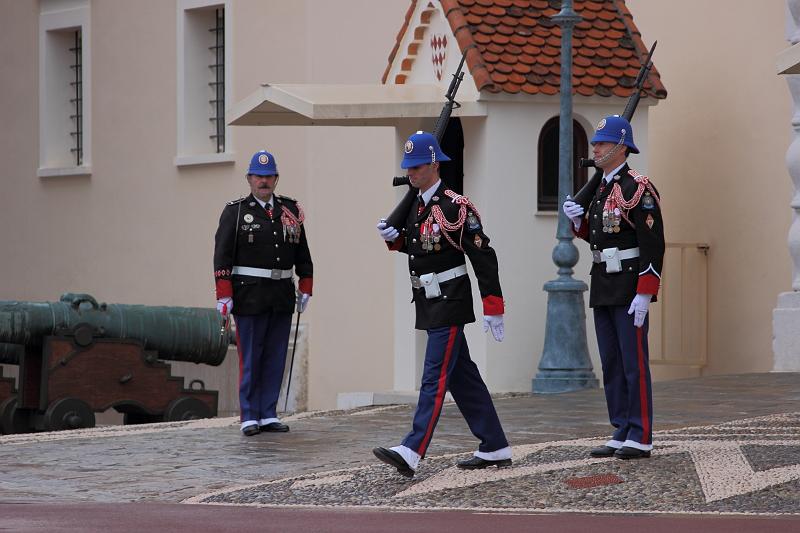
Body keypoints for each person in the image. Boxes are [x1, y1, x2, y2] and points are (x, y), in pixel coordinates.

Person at [372, 131, 511, 478]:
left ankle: (412, 449)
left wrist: (493, 306)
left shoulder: (455, 206)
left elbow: (483, 256)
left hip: (450, 301)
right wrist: (396, 241)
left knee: (433, 376)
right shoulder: (416, 206)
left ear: (434, 164)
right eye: (408, 168)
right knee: (463, 377)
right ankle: (494, 444)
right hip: (429, 302)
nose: (411, 173)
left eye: (417, 167)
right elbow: (423, 248)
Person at [562, 115, 665, 459]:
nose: (595, 147)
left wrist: (645, 290)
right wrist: (578, 221)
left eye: (602, 143)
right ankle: (621, 426)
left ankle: (641, 432)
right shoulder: (602, 187)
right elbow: (600, 235)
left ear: (621, 147)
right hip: (603, 280)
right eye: (595, 142)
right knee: (611, 361)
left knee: (633, 360)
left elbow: (652, 242)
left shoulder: (638, 186)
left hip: (629, 282)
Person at [213, 150, 313, 437]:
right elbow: (222, 256)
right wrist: (224, 294)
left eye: (268, 176)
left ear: (276, 178)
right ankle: (249, 414)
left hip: (281, 292)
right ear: (249, 179)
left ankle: (268, 412)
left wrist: (305, 284)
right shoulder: (236, 211)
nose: (264, 181)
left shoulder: (290, 210)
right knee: (251, 356)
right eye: (258, 176)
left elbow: (302, 251)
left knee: (275, 355)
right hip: (249, 294)